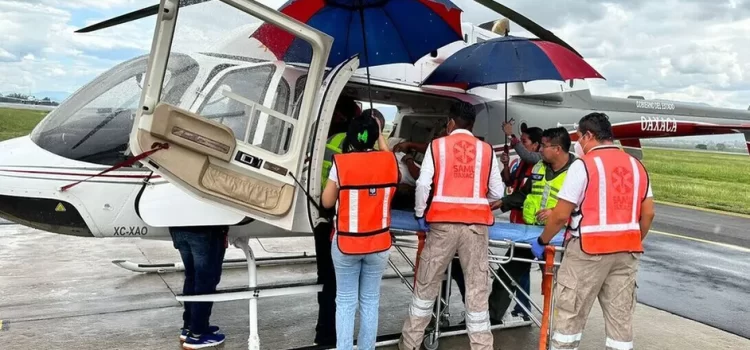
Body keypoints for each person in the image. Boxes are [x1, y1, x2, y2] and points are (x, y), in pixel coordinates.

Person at [531, 112, 656, 350]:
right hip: (627, 253)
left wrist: (542, 239)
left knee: (570, 317)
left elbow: (560, 214)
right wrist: (632, 239)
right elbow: (648, 213)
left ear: (588, 135)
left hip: (588, 251)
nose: (578, 143)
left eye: (579, 137)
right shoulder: (636, 165)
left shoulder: (583, 166)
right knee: (620, 320)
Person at [399, 102, 504, 350]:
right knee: (477, 290)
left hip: (442, 226)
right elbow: (497, 192)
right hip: (476, 228)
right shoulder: (486, 150)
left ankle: (411, 343)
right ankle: (481, 347)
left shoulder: (438, 146)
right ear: (472, 125)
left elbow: (423, 185)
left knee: (426, 285)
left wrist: (419, 212)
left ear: (451, 123)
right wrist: (475, 202)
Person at [321, 115, 399, 350]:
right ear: (376, 137)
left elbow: (326, 202)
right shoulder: (388, 162)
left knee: (345, 302)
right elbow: (388, 155)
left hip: (347, 244)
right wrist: (380, 135)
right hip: (379, 244)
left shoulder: (341, 163)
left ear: (351, 137)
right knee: (370, 302)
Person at [487, 127, 575, 323]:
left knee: (562, 285)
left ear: (558, 149)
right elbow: (525, 193)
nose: (540, 150)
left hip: (560, 237)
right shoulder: (539, 167)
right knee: (506, 274)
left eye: (544, 146)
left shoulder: (578, 171)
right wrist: (503, 202)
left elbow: (587, 204)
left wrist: (557, 212)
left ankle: (562, 326)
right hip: (532, 235)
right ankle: (492, 318)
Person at [314, 95, 361, 346]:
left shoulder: (328, 141)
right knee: (347, 287)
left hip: (323, 217)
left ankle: (324, 333)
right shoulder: (361, 148)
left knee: (326, 280)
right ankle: (339, 337)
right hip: (348, 223)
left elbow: (326, 192)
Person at [493, 123, 543, 321]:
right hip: (517, 224)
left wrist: (511, 136)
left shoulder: (539, 163)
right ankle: (523, 306)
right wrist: (506, 164)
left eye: (524, 142)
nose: (521, 146)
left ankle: (523, 307)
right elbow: (509, 182)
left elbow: (528, 157)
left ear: (537, 145)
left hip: (532, 228)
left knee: (517, 270)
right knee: (519, 270)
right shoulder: (521, 164)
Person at [171, 225, 229, 349]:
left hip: (178, 229)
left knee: (191, 276)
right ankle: (197, 334)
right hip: (205, 230)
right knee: (206, 280)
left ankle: (189, 326)